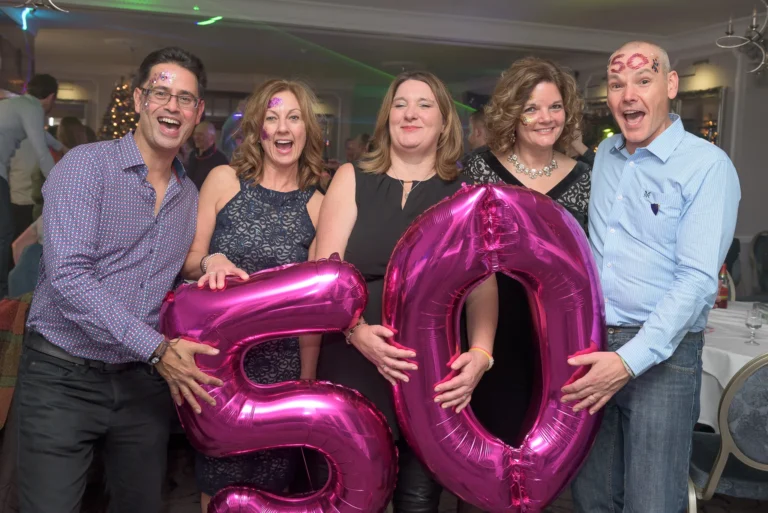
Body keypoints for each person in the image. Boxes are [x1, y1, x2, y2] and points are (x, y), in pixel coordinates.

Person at [16, 47, 223, 513]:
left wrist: (212, 261)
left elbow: (185, 267)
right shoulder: (85, 167)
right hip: (62, 376)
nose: (172, 106)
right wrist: (156, 349)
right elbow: (68, 277)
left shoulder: (188, 196)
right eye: (160, 93)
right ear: (137, 99)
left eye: (185, 99)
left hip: (139, 385)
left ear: (197, 113)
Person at [565, 41, 740, 513]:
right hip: (596, 342)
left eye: (643, 80)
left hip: (665, 351)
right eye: (618, 84)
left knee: (652, 501)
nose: (628, 95)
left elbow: (698, 280)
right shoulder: (605, 155)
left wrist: (627, 362)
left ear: (671, 85)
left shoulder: (707, 166)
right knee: (592, 494)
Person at [312, 70, 498, 512]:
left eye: (423, 104)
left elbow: (483, 288)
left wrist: (482, 354)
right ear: (387, 117)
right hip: (351, 358)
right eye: (400, 104)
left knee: (418, 502)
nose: (410, 113)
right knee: (345, 494)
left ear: (444, 121)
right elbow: (325, 273)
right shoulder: (350, 178)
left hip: (429, 371)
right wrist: (356, 330)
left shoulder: (467, 194)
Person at [181, 79, 326, 512]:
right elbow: (189, 261)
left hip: (280, 374)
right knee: (219, 494)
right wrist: (213, 261)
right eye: (272, 117)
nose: (283, 127)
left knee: (277, 496)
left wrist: (307, 384)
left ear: (307, 130)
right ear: (258, 130)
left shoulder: (319, 205)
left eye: (294, 117)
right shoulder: (224, 180)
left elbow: (314, 307)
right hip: (218, 370)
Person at [460, 57, 589, 513]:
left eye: (554, 107)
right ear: (512, 112)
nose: (545, 118)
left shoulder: (587, 176)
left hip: (562, 340)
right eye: (532, 108)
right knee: (487, 456)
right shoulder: (478, 169)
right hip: (493, 329)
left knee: (552, 465)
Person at [0, 74, 62, 298]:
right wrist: (60, 183)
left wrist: (62, 146)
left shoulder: (19, 105)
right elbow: (40, 149)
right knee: (4, 231)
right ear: (51, 97)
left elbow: (42, 136)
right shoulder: (32, 108)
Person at [187, 120, 229, 189]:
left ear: (212, 137)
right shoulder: (193, 155)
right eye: (195, 134)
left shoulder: (221, 160)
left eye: (200, 134)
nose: (196, 137)